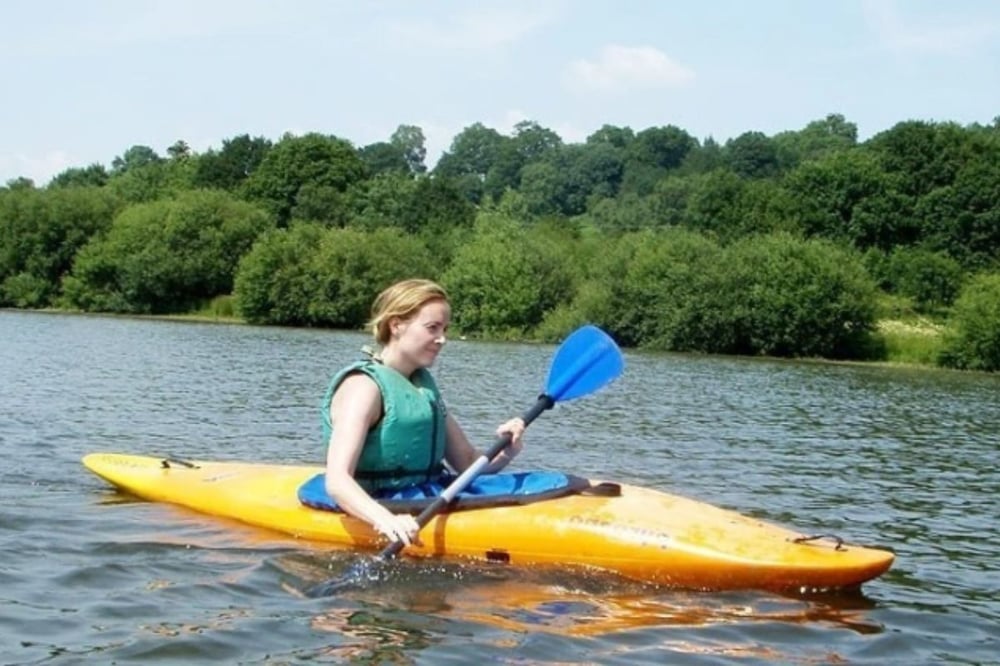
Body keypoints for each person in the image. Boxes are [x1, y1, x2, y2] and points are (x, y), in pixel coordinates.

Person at [322, 278, 526, 547]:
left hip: (423, 495)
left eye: (444, 329)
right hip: (378, 503)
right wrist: (385, 520)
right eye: (432, 328)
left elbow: (466, 462)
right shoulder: (363, 387)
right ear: (396, 325)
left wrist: (507, 450)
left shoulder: (421, 385)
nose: (442, 339)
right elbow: (337, 480)